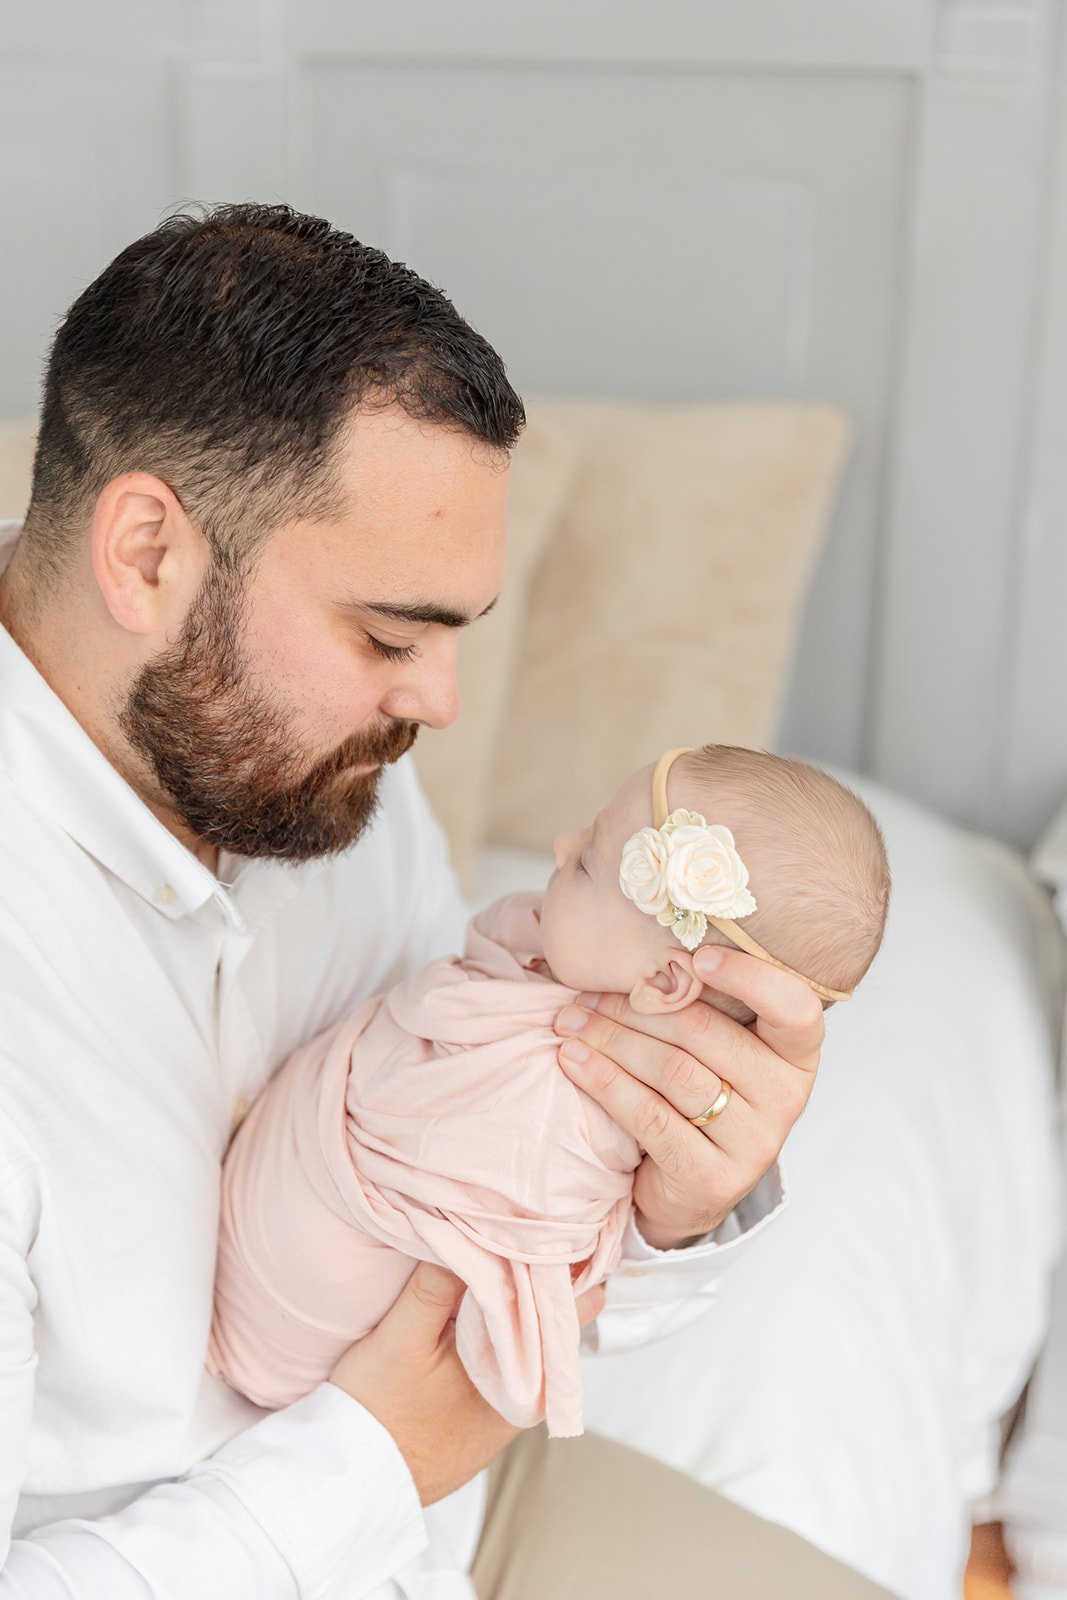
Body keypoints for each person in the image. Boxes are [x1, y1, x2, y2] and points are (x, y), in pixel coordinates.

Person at [0, 202, 890, 1598]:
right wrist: (373, 1460)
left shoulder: (322, 767)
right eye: (386, 635)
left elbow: (481, 1156)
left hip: (458, 1514)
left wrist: (669, 1202)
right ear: (146, 556)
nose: (438, 703)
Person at [209, 744, 890, 1440]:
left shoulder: (560, 1105)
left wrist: (666, 1223)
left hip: (314, 1364)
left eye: (588, 861)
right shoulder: (540, 976)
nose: (561, 846)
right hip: (276, 1365)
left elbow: (537, 1261)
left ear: (662, 982)